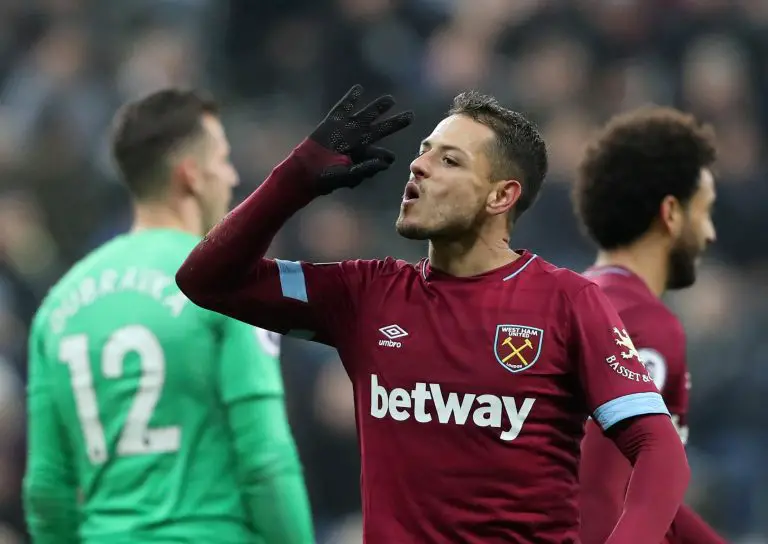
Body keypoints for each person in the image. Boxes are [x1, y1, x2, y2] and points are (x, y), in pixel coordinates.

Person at [176, 84, 689, 544]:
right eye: (422, 152)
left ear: (501, 196)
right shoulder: (366, 294)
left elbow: (659, 452)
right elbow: (206, 279)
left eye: (450, 161)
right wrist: (295, 180)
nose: (418, 167)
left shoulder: (567, 302)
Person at [23, 89, 314, 544]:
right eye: (223, 160)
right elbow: (265, 460)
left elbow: (46, 488)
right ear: (191, 176)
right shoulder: (229, 285)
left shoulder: (59, 305)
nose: (233, 176)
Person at [573, 107, 726, 544]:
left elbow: (643, 494)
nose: (710, 233)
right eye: (705, 211)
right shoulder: (643, 324)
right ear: (671, 213)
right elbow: (597, 490)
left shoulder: (578, 298)